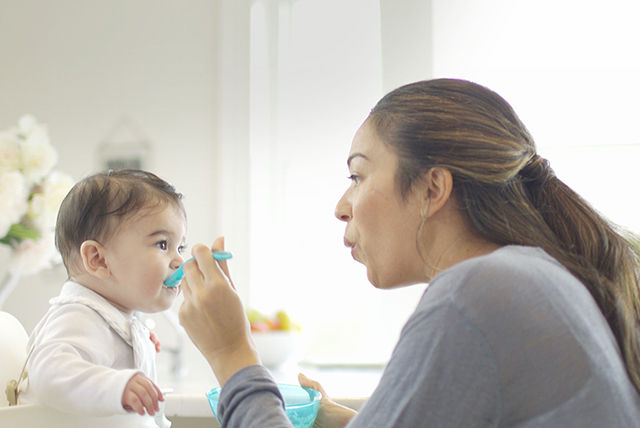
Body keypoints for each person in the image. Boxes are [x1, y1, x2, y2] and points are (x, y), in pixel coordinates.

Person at [178, 78, 640, 427]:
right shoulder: (531, 276)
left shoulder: (477, 294)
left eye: (357, 176)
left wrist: (231, 353)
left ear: (432, 188)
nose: (341, 207)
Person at [18, 169, 186, 427]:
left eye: (180, 247)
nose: (179, 260)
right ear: (98, 260)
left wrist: (135, 344)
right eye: (162, 244)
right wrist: (118, 387)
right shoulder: (78, 316)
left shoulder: (114, 320)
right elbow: (50, 374)